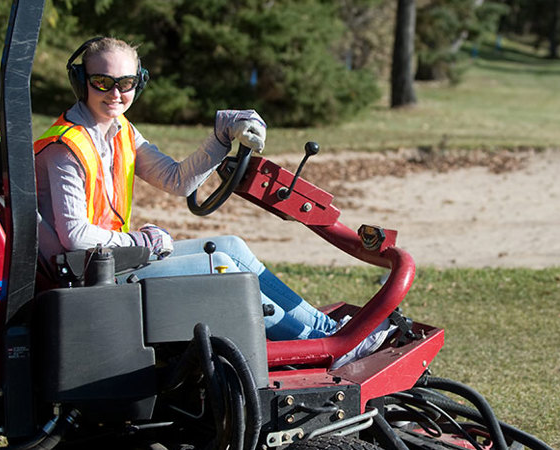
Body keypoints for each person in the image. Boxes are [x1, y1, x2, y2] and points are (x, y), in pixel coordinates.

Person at [33, 37, 391, 367]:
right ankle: (320, 348)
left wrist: (222, 135)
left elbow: (176, 179)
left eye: (125, 83)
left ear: (137, 83)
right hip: (88, 277)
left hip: (111, 262)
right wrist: (141, 241)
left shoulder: (119, 130)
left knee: (231, 247)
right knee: (220, 265)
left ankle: (330, 333)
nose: (115, 93)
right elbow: (75, 236)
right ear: (81, 81)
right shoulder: (67, 147)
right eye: (102, 82)